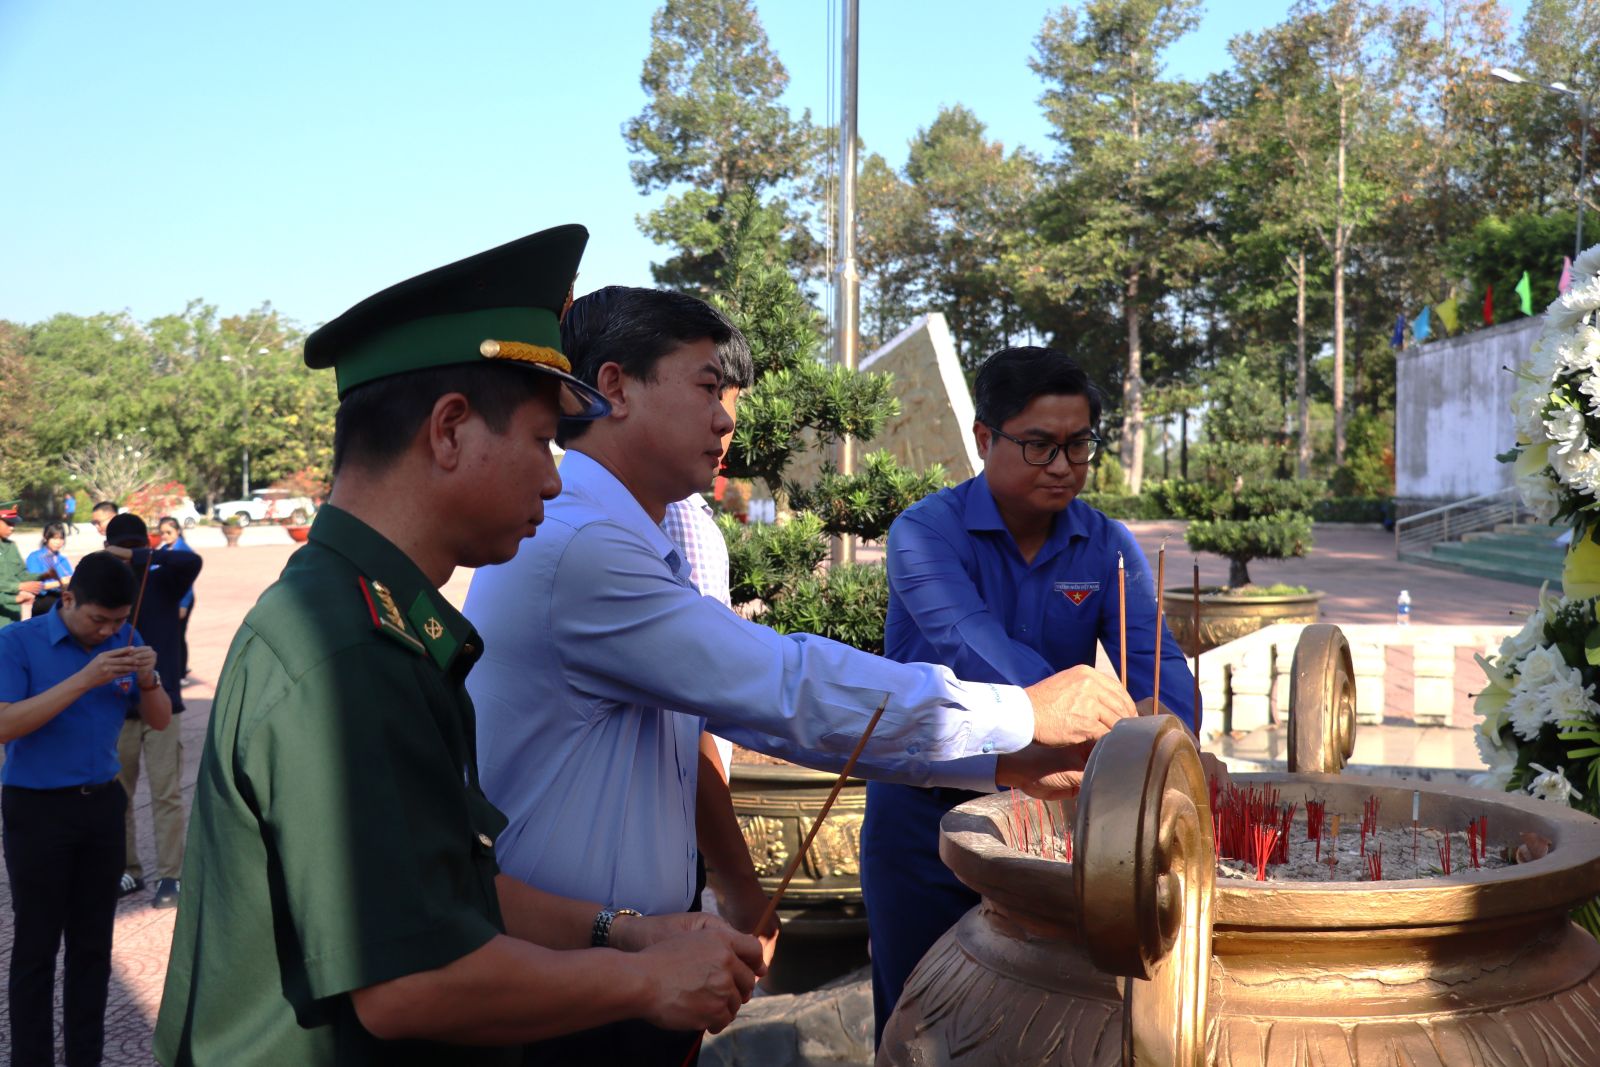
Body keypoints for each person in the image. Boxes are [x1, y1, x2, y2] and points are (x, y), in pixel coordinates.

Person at [464, 286, 1135, 1065]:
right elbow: (785, 687)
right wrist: (1021, 714)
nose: (727, 419)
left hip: (622, 951)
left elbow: (740, 713)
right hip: (567, 977)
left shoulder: (629, 538)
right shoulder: (586, 547)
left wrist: (1003, 763)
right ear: (615, 386)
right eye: (707, 387)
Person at [154, 226, 767, 1067]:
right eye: (542, 440)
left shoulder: (379, 621)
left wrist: (625, 932)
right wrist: (644, 981)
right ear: (449, 430)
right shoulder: (346, 652)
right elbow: (412, 982)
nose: (553, 476)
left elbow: (452, 888)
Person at [860, 346, 1200, 1042]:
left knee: (1037, 1025)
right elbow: (972, 643)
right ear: (984, 437)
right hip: (922, 814)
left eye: (1078, 445)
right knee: (917, 1024)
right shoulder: (923, 533)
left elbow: (1157, 669)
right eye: (1040, 445)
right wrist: (1097, 720)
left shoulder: (1106, 544)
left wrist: (1175, 749)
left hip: (1039, 821)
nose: (1062, 465)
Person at [0, 551, 172, 1067]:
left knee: (93, 946)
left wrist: (149, 679)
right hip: (37, 810)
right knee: (36, 945)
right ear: (69, 599)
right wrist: (85, 678)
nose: (109, 631)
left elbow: (160, 720)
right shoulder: (18, 642)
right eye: (99, 620)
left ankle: (85, 1056)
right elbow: (5, 726)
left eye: (118, 621)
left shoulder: (126, 639)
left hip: (101, 807)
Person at [103, 512, 202, 908]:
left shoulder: (164, 577)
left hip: (164, 702)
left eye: (135, 545)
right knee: (118, 795)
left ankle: (170, 876)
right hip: (117, 707)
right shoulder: (104, 586)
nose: (127, 554)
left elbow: (191, 561)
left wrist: (140, 557)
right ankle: (129, 870)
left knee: (166, 793)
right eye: (121, 547)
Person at [156, 516, 195, 681]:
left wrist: (183, 605)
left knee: (178, 636)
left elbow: (188, 583)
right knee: (170, 635)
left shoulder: (185, 552)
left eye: (168, 532)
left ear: (177, 531)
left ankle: (181, 673)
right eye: (162, 533)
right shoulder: (164, 550)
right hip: (169, 598)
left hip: (181, 599)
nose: (165, 536)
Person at [0, 501, 48, 629]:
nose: (12, 528)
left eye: (13, 524)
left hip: (13, 612)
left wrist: (43, 576)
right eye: (8, 523)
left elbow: (21, 573)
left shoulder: (11, 546)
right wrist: (19, 587)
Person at [24, 521, 73, 617]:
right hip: (44, 603)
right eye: (54, 538)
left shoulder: (62, 559)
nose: (58, 542)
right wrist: (60, 582)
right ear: (46, 537)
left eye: (61, 538)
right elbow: (35, 585)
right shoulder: (34, 557)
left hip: (62, 601)